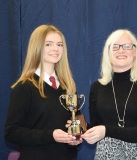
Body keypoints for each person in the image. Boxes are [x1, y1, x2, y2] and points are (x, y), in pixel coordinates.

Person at [5, 24, 82, 160]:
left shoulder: (68, 87)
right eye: (48, 44)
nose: (55, 49)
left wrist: (75, 138)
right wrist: (50, 135)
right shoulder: (24, 87)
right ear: (37, 47)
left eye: (59, 44)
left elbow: (76, 122)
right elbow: (11, 132)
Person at [81, 29, 137, 159]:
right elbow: (97, 128)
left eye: (127, 46)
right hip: (106, 156)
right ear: (108, 52)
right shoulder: (97, 87)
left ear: (135, 52)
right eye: (115, 47)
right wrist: (81, 127)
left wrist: (106, 131)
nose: (121, 50)